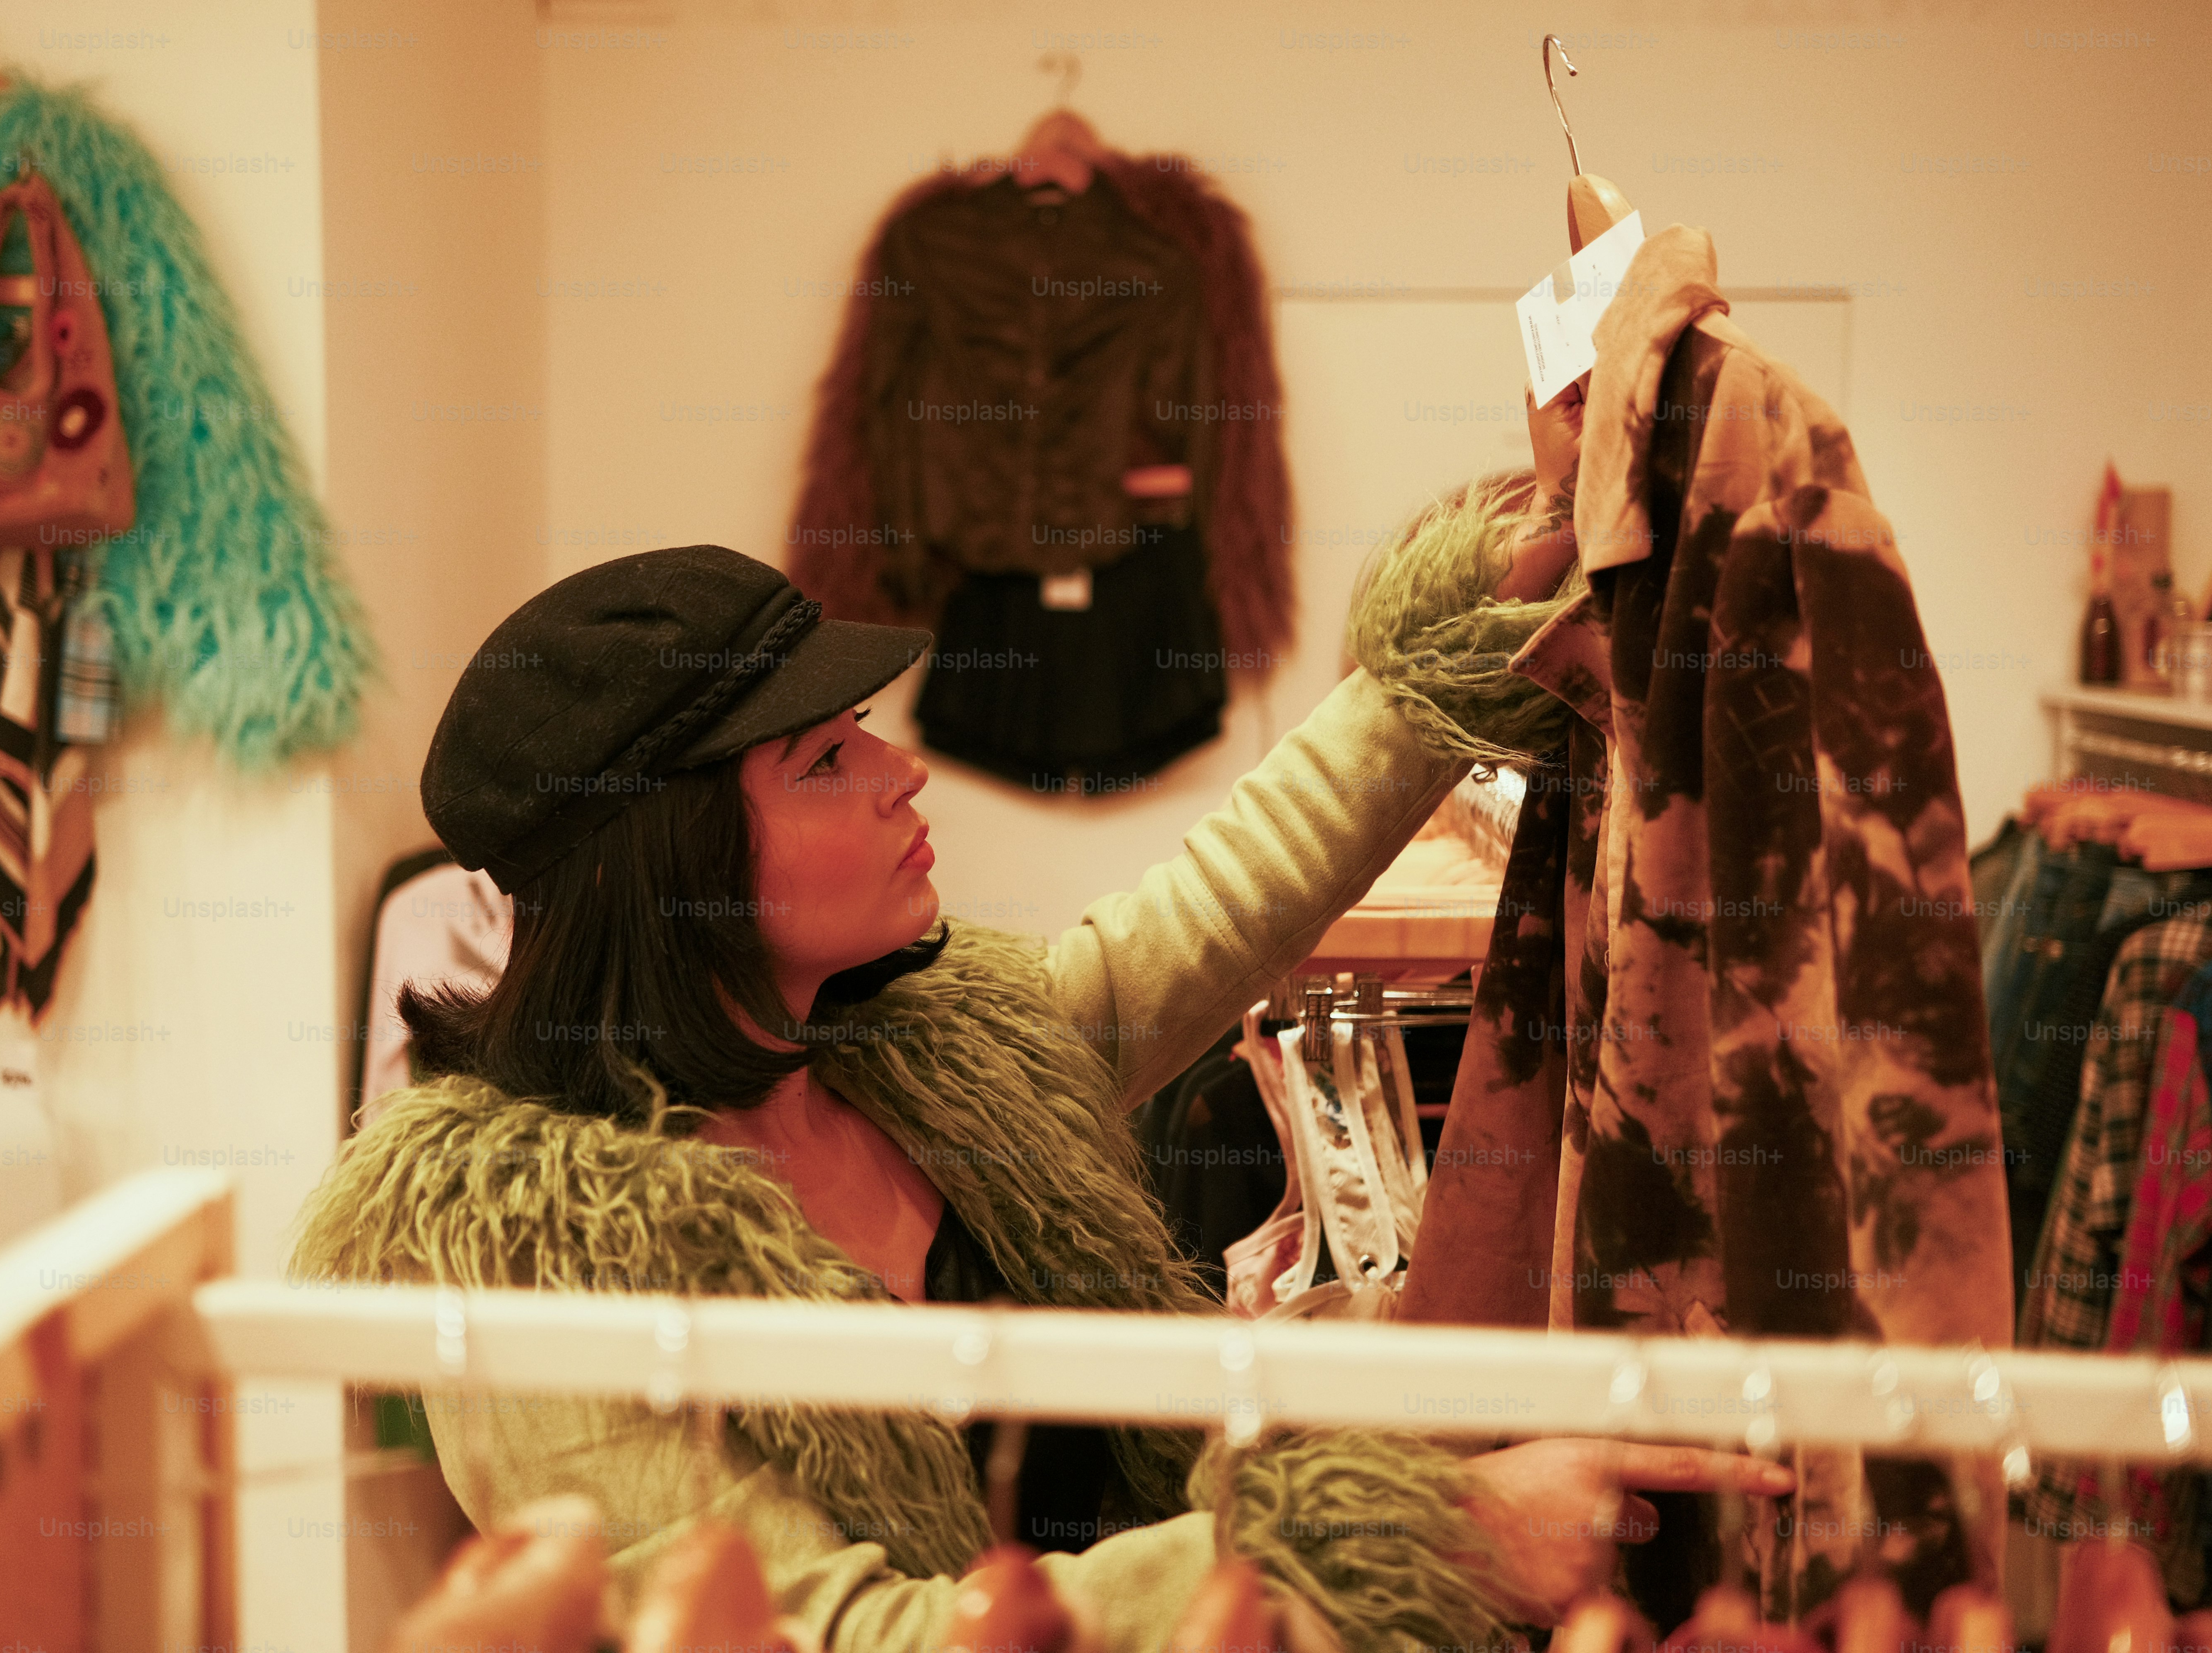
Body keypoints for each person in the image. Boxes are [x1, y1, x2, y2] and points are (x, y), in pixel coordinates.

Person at [293, 379, 1793, 1653]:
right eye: (826, 761)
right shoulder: (538, 1281)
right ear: (674, 862)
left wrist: (1486, 611)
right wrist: (1421, 1533)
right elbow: (847, 1637)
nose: (901, 775)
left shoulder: (926, 1064)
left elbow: (1209, 913)